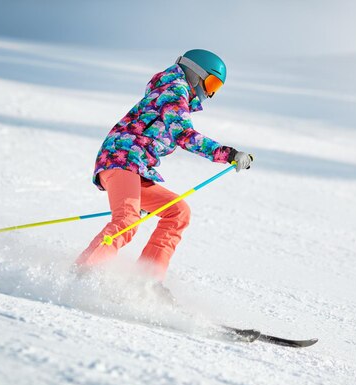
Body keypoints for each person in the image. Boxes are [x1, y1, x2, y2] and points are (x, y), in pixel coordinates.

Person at [75, 49, 253, 280]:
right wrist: (228, 154)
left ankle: (147, 280)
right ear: (196, 73)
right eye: (211, 84)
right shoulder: (173, 90)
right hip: (122, 158)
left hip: (135, 166)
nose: (209, 94)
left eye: (216, 89)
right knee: (127, 219)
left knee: (178, 212)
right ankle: (82, 272)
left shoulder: (174, 91)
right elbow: (184, 135)